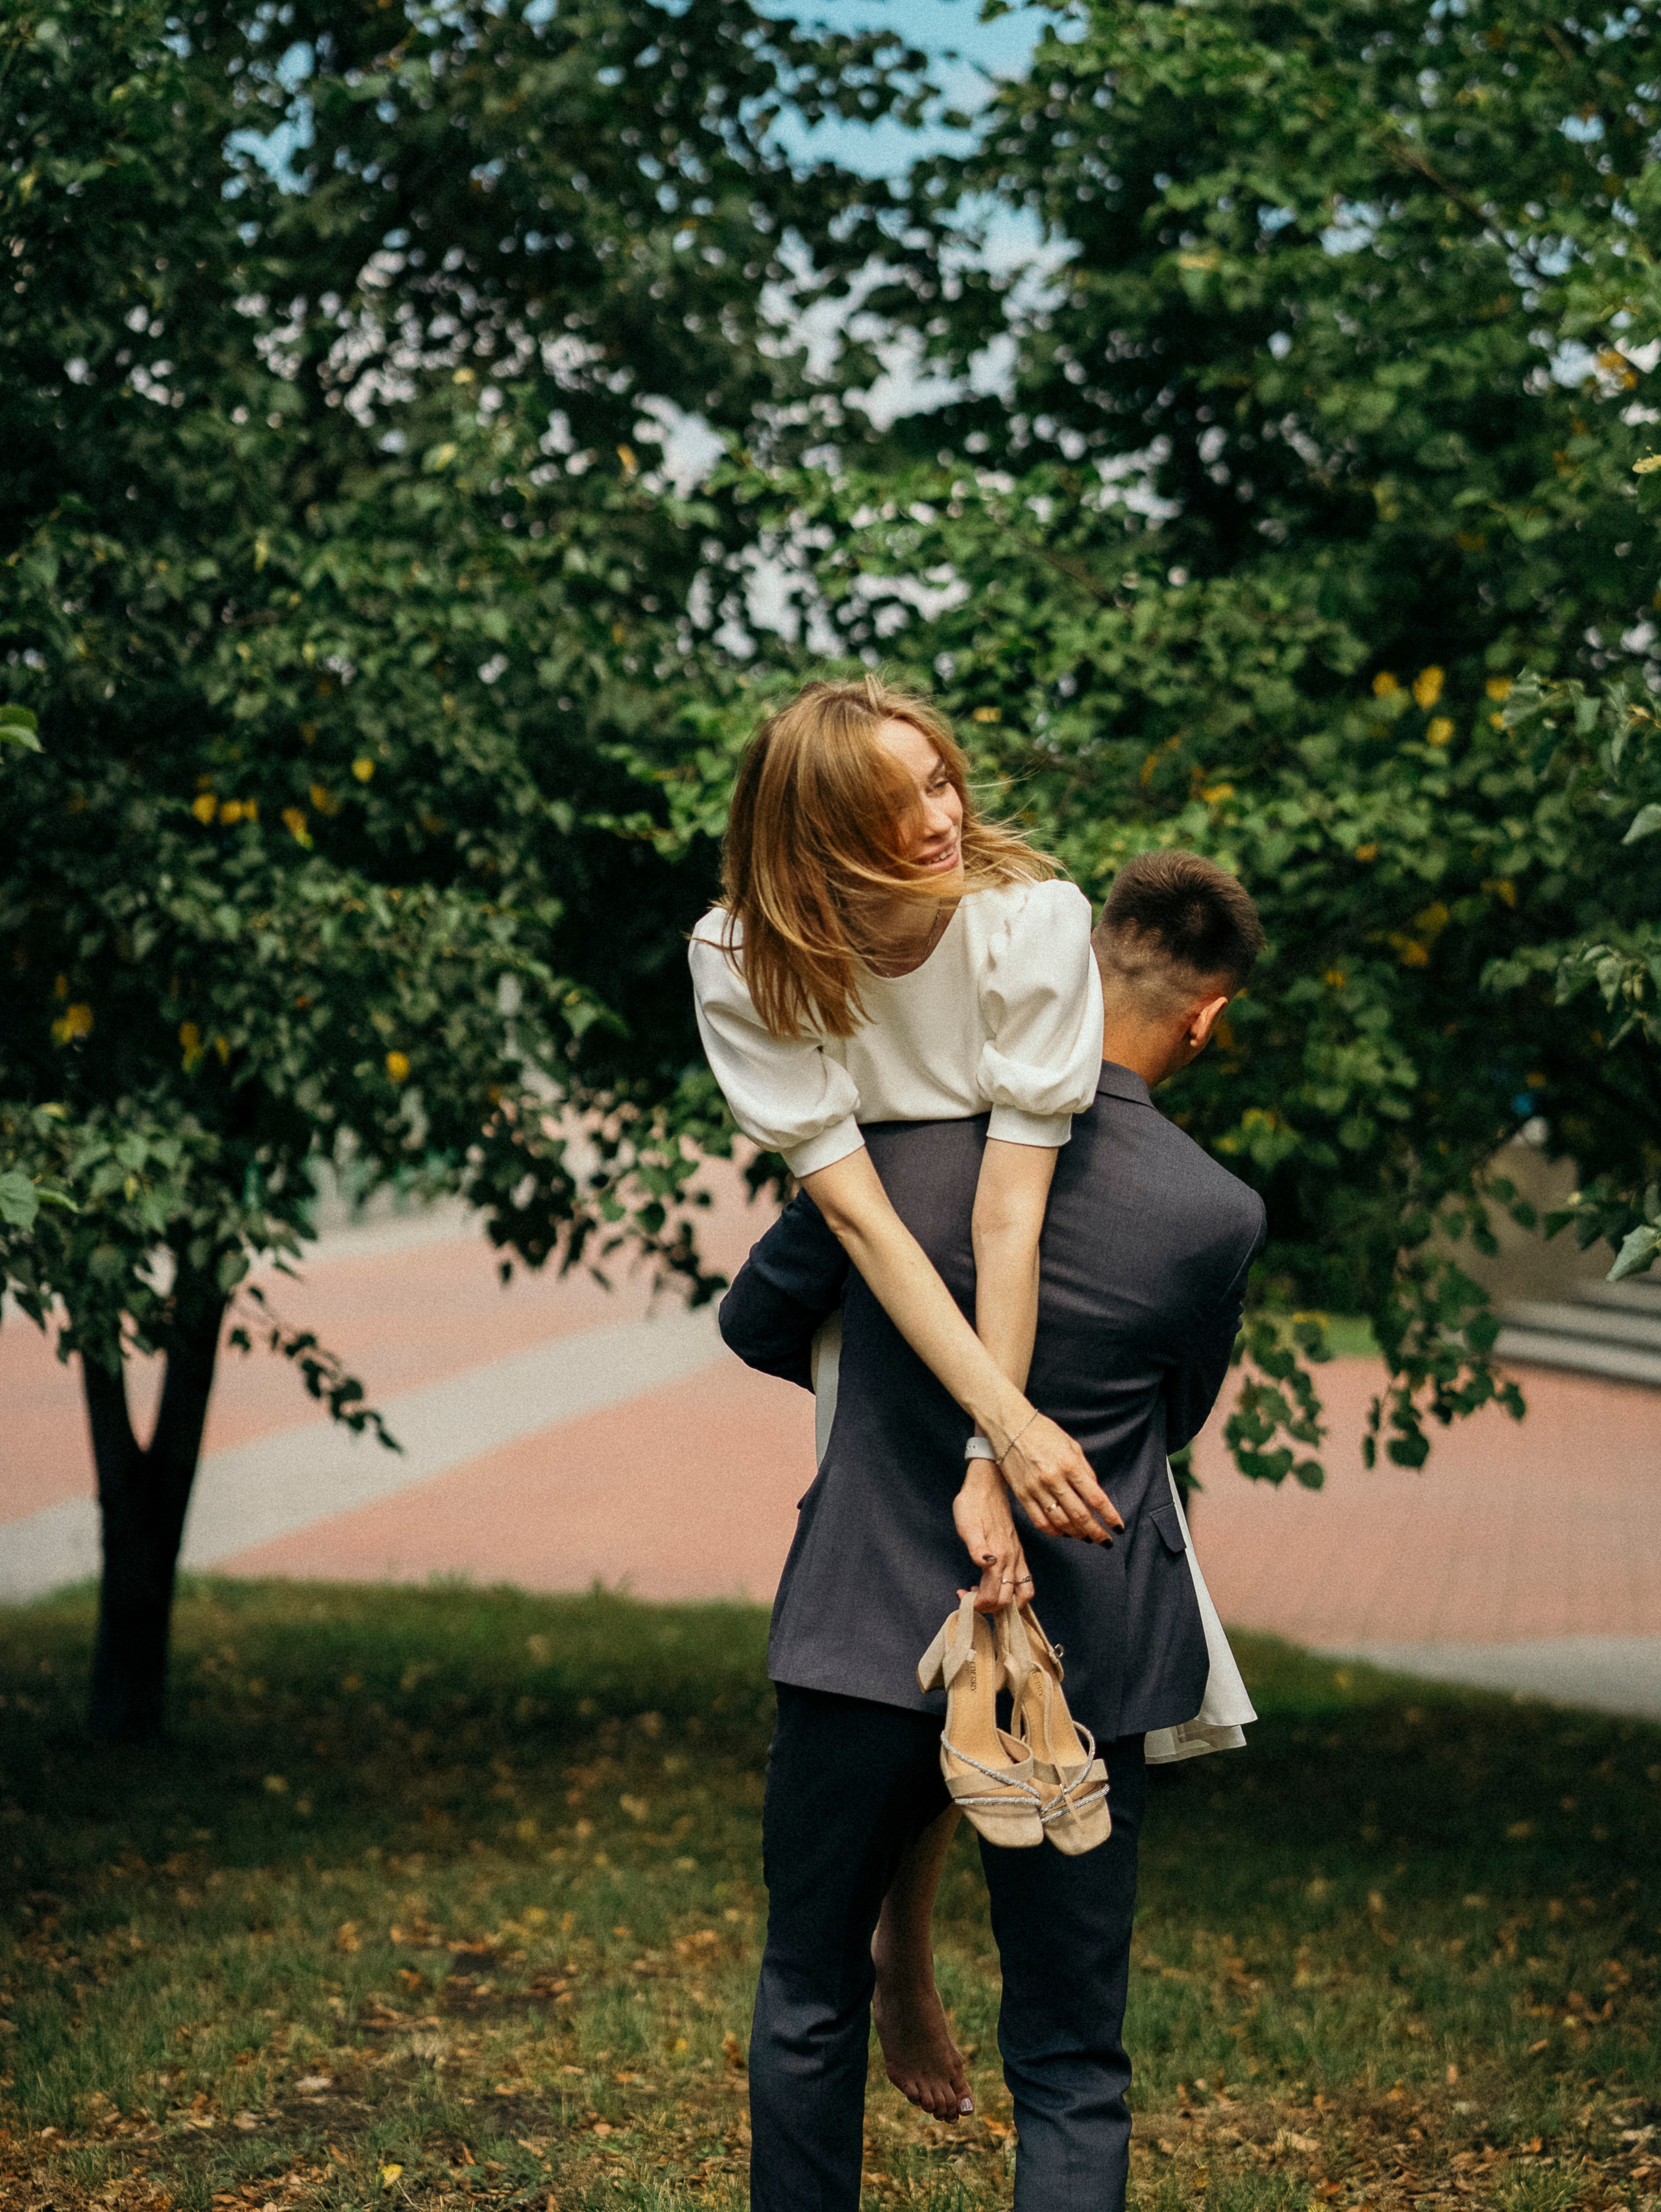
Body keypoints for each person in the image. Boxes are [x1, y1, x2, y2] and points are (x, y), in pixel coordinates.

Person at [719, 850, 1268, 2212]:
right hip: (1079, 1666)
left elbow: (749, 1323)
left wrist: (887, 1409)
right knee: (1072, 2052)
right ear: (1203, 1019)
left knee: (803, 1991)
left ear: (1063, 971)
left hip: (858, 1635)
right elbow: (1169, 1420)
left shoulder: (893, 1146)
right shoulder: (1213, 1216)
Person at [689, 675, 1117, 1617]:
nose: (940, 819)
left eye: (938, 782)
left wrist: (997, 1447)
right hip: (884, 1306)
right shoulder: (745, 960)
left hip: (1030, 1295)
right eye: (894, 808)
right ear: (821, 835)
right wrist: (1008, 1431)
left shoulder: (1029, 925)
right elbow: (859, 1216)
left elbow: (1009, 1214)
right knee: (880, 1596)